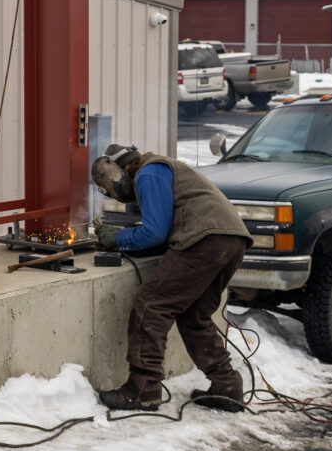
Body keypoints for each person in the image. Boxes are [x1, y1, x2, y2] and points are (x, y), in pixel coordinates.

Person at [91, 144, 252, 413]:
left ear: (119, 170)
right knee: (194, 317)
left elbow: (155, 233)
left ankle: (143, 389)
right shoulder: (160, 169)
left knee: (152, 305)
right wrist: (125, 238)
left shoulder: (148, 173)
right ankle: (228, 387)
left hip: (204, 241)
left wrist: (116, 238)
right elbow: (164, 227)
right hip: (231, 241)